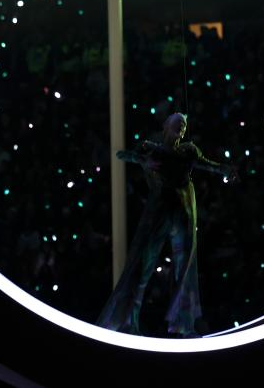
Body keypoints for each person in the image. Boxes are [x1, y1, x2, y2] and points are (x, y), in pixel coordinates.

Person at [97, 113, 236, 337]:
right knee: (143, 266)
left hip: (182, 212)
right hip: (160, 212)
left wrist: (223, 169)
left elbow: (205, 164)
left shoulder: (189, 150)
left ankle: (184, 325)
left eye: (184, 125)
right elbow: (122, 154)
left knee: (184, 268)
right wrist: (143, 161)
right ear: (166, 126)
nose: (182, 127)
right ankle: (129, 322)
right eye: (178, 123)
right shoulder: (152, 148)